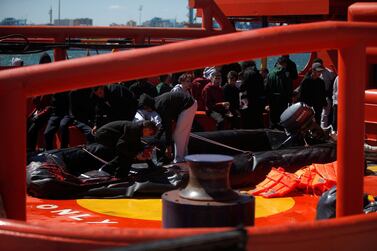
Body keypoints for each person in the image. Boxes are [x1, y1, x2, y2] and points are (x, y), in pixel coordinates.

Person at [154, 91, 197, 163]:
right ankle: (184, 157)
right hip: (191, 104)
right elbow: (165, 123)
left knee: (178, 135)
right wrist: (157, 137)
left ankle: (179, 160)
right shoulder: (158, 101)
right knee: (184, 135)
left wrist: (168, 146)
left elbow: (167, 125)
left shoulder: (159, 105)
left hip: (188, 105)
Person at [265, 56, 293, 129]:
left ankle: (272, 133)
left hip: (272, 100)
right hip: (282, 100)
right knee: (282, 119)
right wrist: (290, 99)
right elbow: (289, 88)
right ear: (284, 64)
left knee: (272, 119)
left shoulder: (270, 74)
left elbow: (266, 88)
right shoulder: (286, 74)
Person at [312, 58, 337, 128]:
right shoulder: (313, 73)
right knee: (316, 113)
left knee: (324, 114)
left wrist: (330, 96)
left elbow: (334, 85)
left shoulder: (330, 73)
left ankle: (323, 128)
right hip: (316, 95)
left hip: (326, 95)